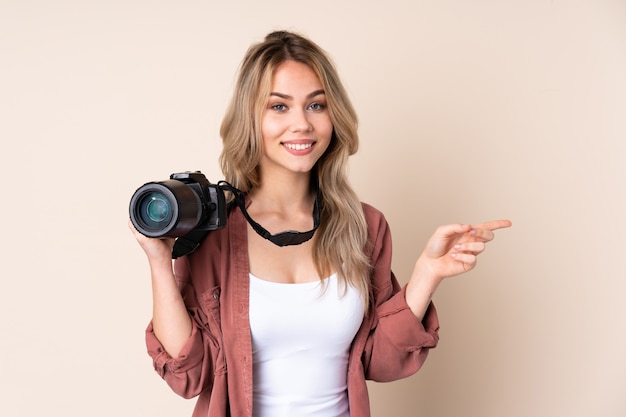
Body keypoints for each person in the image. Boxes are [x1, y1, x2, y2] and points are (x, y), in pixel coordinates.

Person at [129, 30, 511, 417]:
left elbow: (381, 362)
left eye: (316, 105)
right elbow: (188, 375)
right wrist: (159, 261)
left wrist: (427, 275)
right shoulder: (213, 233)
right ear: (251, 117)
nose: (302, 124)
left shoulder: (363, 226)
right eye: (279, 107)